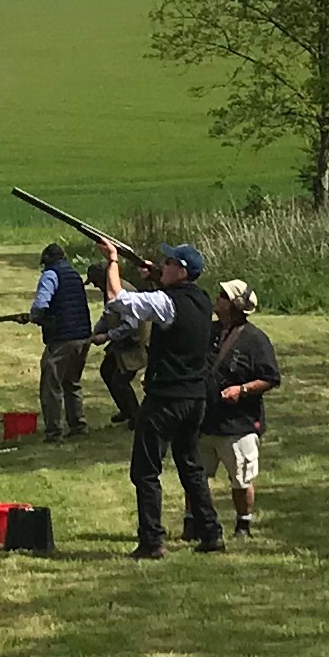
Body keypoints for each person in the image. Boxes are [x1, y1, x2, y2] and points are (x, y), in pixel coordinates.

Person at [96, 238, 224, 558]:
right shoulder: (202, 299)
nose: (162, 264)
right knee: (191, 467)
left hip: (166, 398)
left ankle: (152, 541)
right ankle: (211, 532)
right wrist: (156, 277)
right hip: (194, 397)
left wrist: (113, 260)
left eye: (168, 263)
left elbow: (117, 299)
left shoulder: (167, 304)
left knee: (146, 470)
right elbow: (171, 297)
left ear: (180, 272)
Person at [209, 280, 280, 533]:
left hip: (238, 421)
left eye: (223, 296)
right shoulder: (209, 330)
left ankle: (243, 523)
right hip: (205, 418)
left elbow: (270, 378)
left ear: (235, 305)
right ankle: (193, 520)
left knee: (241, 478)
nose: (217, 299)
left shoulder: (256, 340)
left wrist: (242, 390)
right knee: (196, 476)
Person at [12, 241, 93, 436]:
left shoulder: (50, 274)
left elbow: (42, 304)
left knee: (51, 384)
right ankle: (78, 425)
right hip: (83, 336)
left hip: (62, 337)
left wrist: (33, 317)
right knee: (72, 382)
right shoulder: (74, 274)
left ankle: (54, 430)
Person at [93, 261, 145, 428]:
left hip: (135, 343)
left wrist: (107, 336)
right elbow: (108, 314)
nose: (95, 286)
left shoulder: (123, 292)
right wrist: (95, 332)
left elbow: (131, 326)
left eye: (95, 282)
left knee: (120, 380)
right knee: (107, 371)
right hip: (121, 343)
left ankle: (136, 417)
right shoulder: (109, 290)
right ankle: (126, 410)